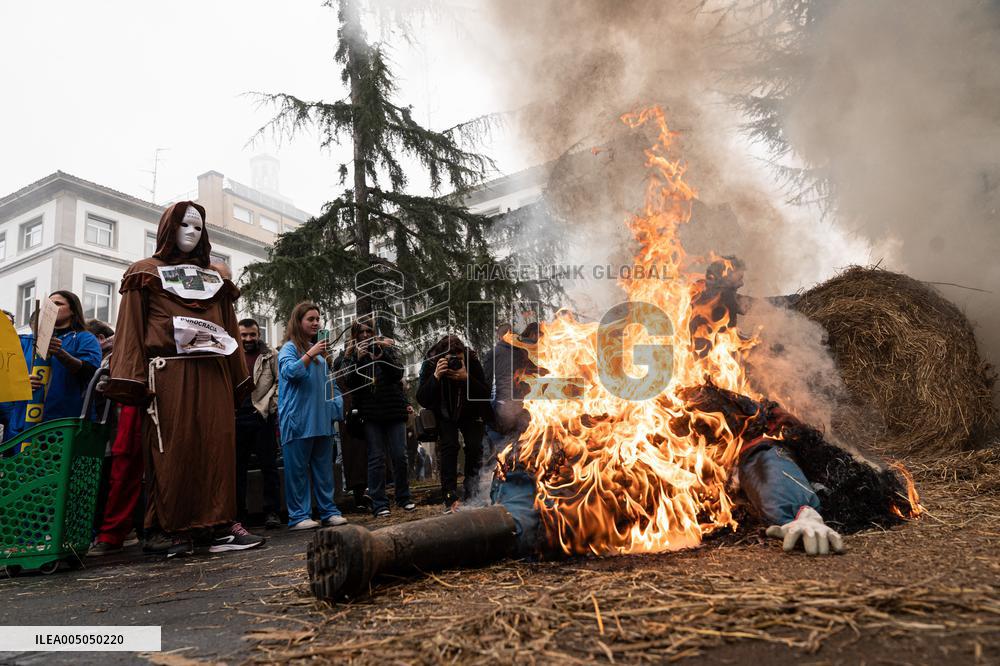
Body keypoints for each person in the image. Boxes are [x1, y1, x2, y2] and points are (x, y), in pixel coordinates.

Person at [104, 201, 263, 557]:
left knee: (218, 446)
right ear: (168, 229)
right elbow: (130, 328)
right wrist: (130, 380)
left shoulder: (215, 278)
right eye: (185, 225)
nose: (193, 232)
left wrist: (240, 377)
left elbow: (230, 330)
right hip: (168, 375)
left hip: (214, 373)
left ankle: (220, 526)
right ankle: (169, 530)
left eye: (198, 227)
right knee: (171, 449)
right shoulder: (144, 273)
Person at [277, 302, 347, 530]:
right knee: (297, 472)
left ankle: (329, 511)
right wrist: (311, 353)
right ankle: (298, 516)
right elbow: (290, 373)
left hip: (321, 421)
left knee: (324, 470)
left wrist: (337, 406)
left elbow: (331, 385)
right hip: (298, 421)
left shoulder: (321, 352)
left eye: (318, 319)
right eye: (311, 319)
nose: (316, 323)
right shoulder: (289, 348)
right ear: (299, 322)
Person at [339, 320, 414, 518]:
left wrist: (381, 356)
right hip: (370, 413)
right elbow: (349, 382)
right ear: (354, 335)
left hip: (394, 409)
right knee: (376, 458)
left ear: (374, 331)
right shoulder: (349, 355)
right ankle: (379, 503)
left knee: (400, 455)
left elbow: (398, 373)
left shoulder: (385, 349)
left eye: (368, 330)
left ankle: (404, 498)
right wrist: (357, 359)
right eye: (360, 331)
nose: (364, 335)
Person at [416, 335, 491, 512]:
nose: (455, 362)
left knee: (474, 446)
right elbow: (422, 399)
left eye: (458, 358)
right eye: (450, 359)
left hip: (470, 413)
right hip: (444, 414)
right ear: (441, 357)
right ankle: (449, 496)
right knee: (449, 446)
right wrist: (435, 377)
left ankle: (471, 491)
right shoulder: (431, 363)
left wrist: (466, 378)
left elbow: (485, 392)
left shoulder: (471, 360)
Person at [235, 318, 282, 529]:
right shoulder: (231, 355)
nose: (248, 339)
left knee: (269, 465)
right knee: (238, 468)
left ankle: (271, 511)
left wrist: (270, 405)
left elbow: (280, 383)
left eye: (252, 334)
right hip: (237, 417)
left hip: (262, 415)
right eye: (243, 335)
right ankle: (239, 514)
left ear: (258, 334)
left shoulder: (270, 354)